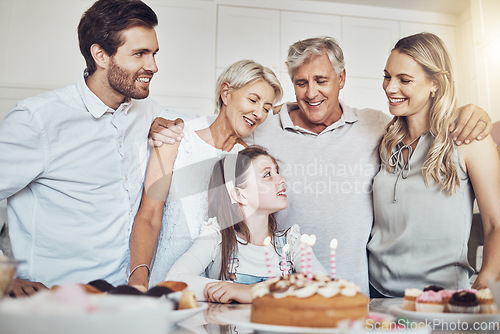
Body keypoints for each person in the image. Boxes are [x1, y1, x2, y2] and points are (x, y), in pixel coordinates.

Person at [150, 36, 491, 296]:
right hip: (283, 292)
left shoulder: (377, 126)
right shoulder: (265, 126)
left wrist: (472, 111)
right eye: (301, 82)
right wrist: (167, 126)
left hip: (360, 293)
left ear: (341, 79)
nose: (311, 93)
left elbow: (431, 123)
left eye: (321, 80)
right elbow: (219, 130)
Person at [0, 0, 184, 297]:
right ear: (100, 55)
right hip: (50, 306)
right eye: (140, 53)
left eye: (154, 53)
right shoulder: (38, 120)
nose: (153, 66)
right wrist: (4, 275)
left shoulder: (149, 111)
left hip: (120, 301)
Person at [128, 60, 283, 289]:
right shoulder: (174, 140)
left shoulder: (248, 162)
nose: (259, 113)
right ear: (226, 93)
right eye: (253, 100)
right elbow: (149, 215)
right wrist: (138, 278)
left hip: (211, 292)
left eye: (267, 108)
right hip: (159, 281)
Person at [367, 33, 500, 297]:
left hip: (441, 298)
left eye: (404, 80)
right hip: (377, 293)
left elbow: (496, 224)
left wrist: (486, 280)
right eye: (387, 76)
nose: (390, 88)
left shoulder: (469, 138)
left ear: (434, 84)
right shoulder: (384, 140)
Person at [165, 146, 327, 303]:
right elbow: (173, 281)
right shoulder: (216, 238)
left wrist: (253, 292)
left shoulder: (292, 243)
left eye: (277, 172)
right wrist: (232, 289)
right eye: (268, 174)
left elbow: (323, 285)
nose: (282, 179)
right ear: (239, 194)